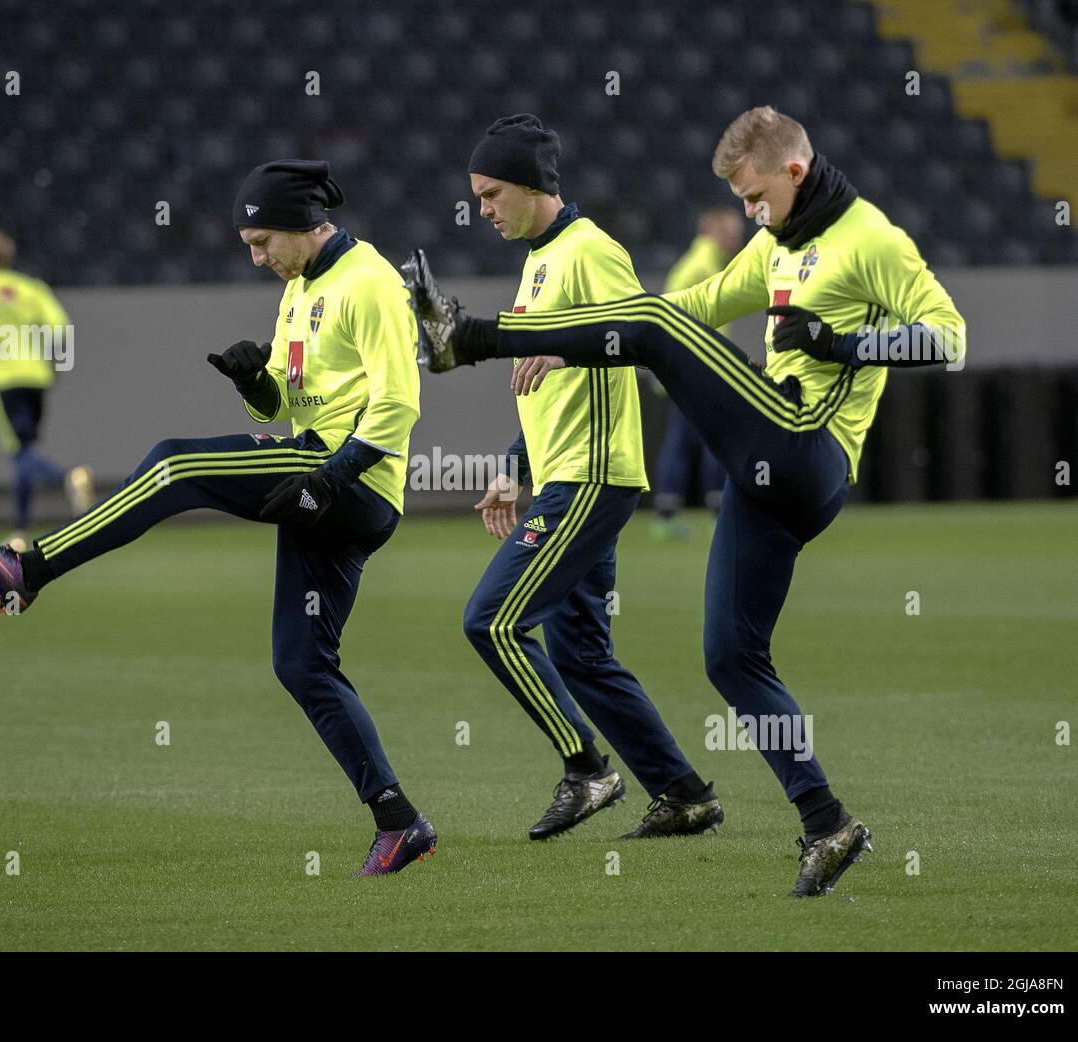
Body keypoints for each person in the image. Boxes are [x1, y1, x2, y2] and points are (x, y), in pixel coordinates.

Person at [404, 107, 966, 896]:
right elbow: (688, 310)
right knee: (730, 661)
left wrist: (842, 344)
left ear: (795, 172)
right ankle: (827, 821)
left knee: (655, 329)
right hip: (764, 477)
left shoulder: (870, 239)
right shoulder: (777, 245)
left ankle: (469, 337)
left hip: (808, 445)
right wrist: (562, 339)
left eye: (752, 195)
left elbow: (947, 339)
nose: (745, 214)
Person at [0, 161, 436, 876]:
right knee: (301, 665)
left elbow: (397, 406)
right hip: (319, 480)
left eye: (262, 239)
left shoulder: (371, 282)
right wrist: (254, 383)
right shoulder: (300, 287)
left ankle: (29, 569)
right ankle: (399, 822)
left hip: (348, 480)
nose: (255, 256)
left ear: (305, 223)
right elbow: (282, 409)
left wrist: (328, 480)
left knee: (175, 465)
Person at [460, 115, 720, 842]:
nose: (482, 209)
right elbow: (539, 385)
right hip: (559, 479)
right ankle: (684, 794)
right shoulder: (539, 259)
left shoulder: (590, 250)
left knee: (493, 621)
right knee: (581, 655)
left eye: (490, 193)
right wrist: (513, 468)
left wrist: (575, 352)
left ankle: (588, 770)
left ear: (532, 185)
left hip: (592, 478)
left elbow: (646, 339)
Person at [0, 229, 93, 549]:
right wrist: (56, 365)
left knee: (20, 453)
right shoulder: (31, 288)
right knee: (25, 453)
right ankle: (19, 530)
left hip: (3, 378)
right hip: (36, 377)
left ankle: (68, 477)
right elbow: (60, 327)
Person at [650, 208, 744, 538]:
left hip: (685, 368)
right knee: (712, 439)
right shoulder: (704, 267)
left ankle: (668, 513)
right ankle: (717, 511)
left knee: (684, 439)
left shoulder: (696, 263)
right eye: (733, 231)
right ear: (715, 231)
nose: (737, 238)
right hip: (698, 368)